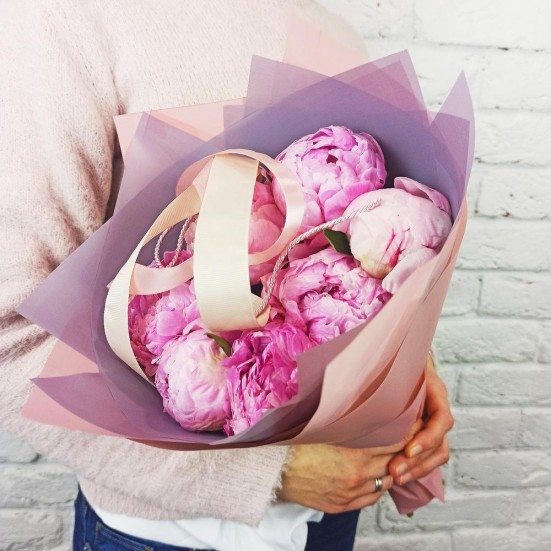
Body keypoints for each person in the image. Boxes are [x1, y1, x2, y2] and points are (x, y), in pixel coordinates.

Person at [0, 1, 453, 550]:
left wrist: (410, 372)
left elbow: (368, 254)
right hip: (169, 531)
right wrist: (269, 474)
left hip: (330, 515)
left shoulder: (330, 27)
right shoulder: (68, 19)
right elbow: (9, 329)